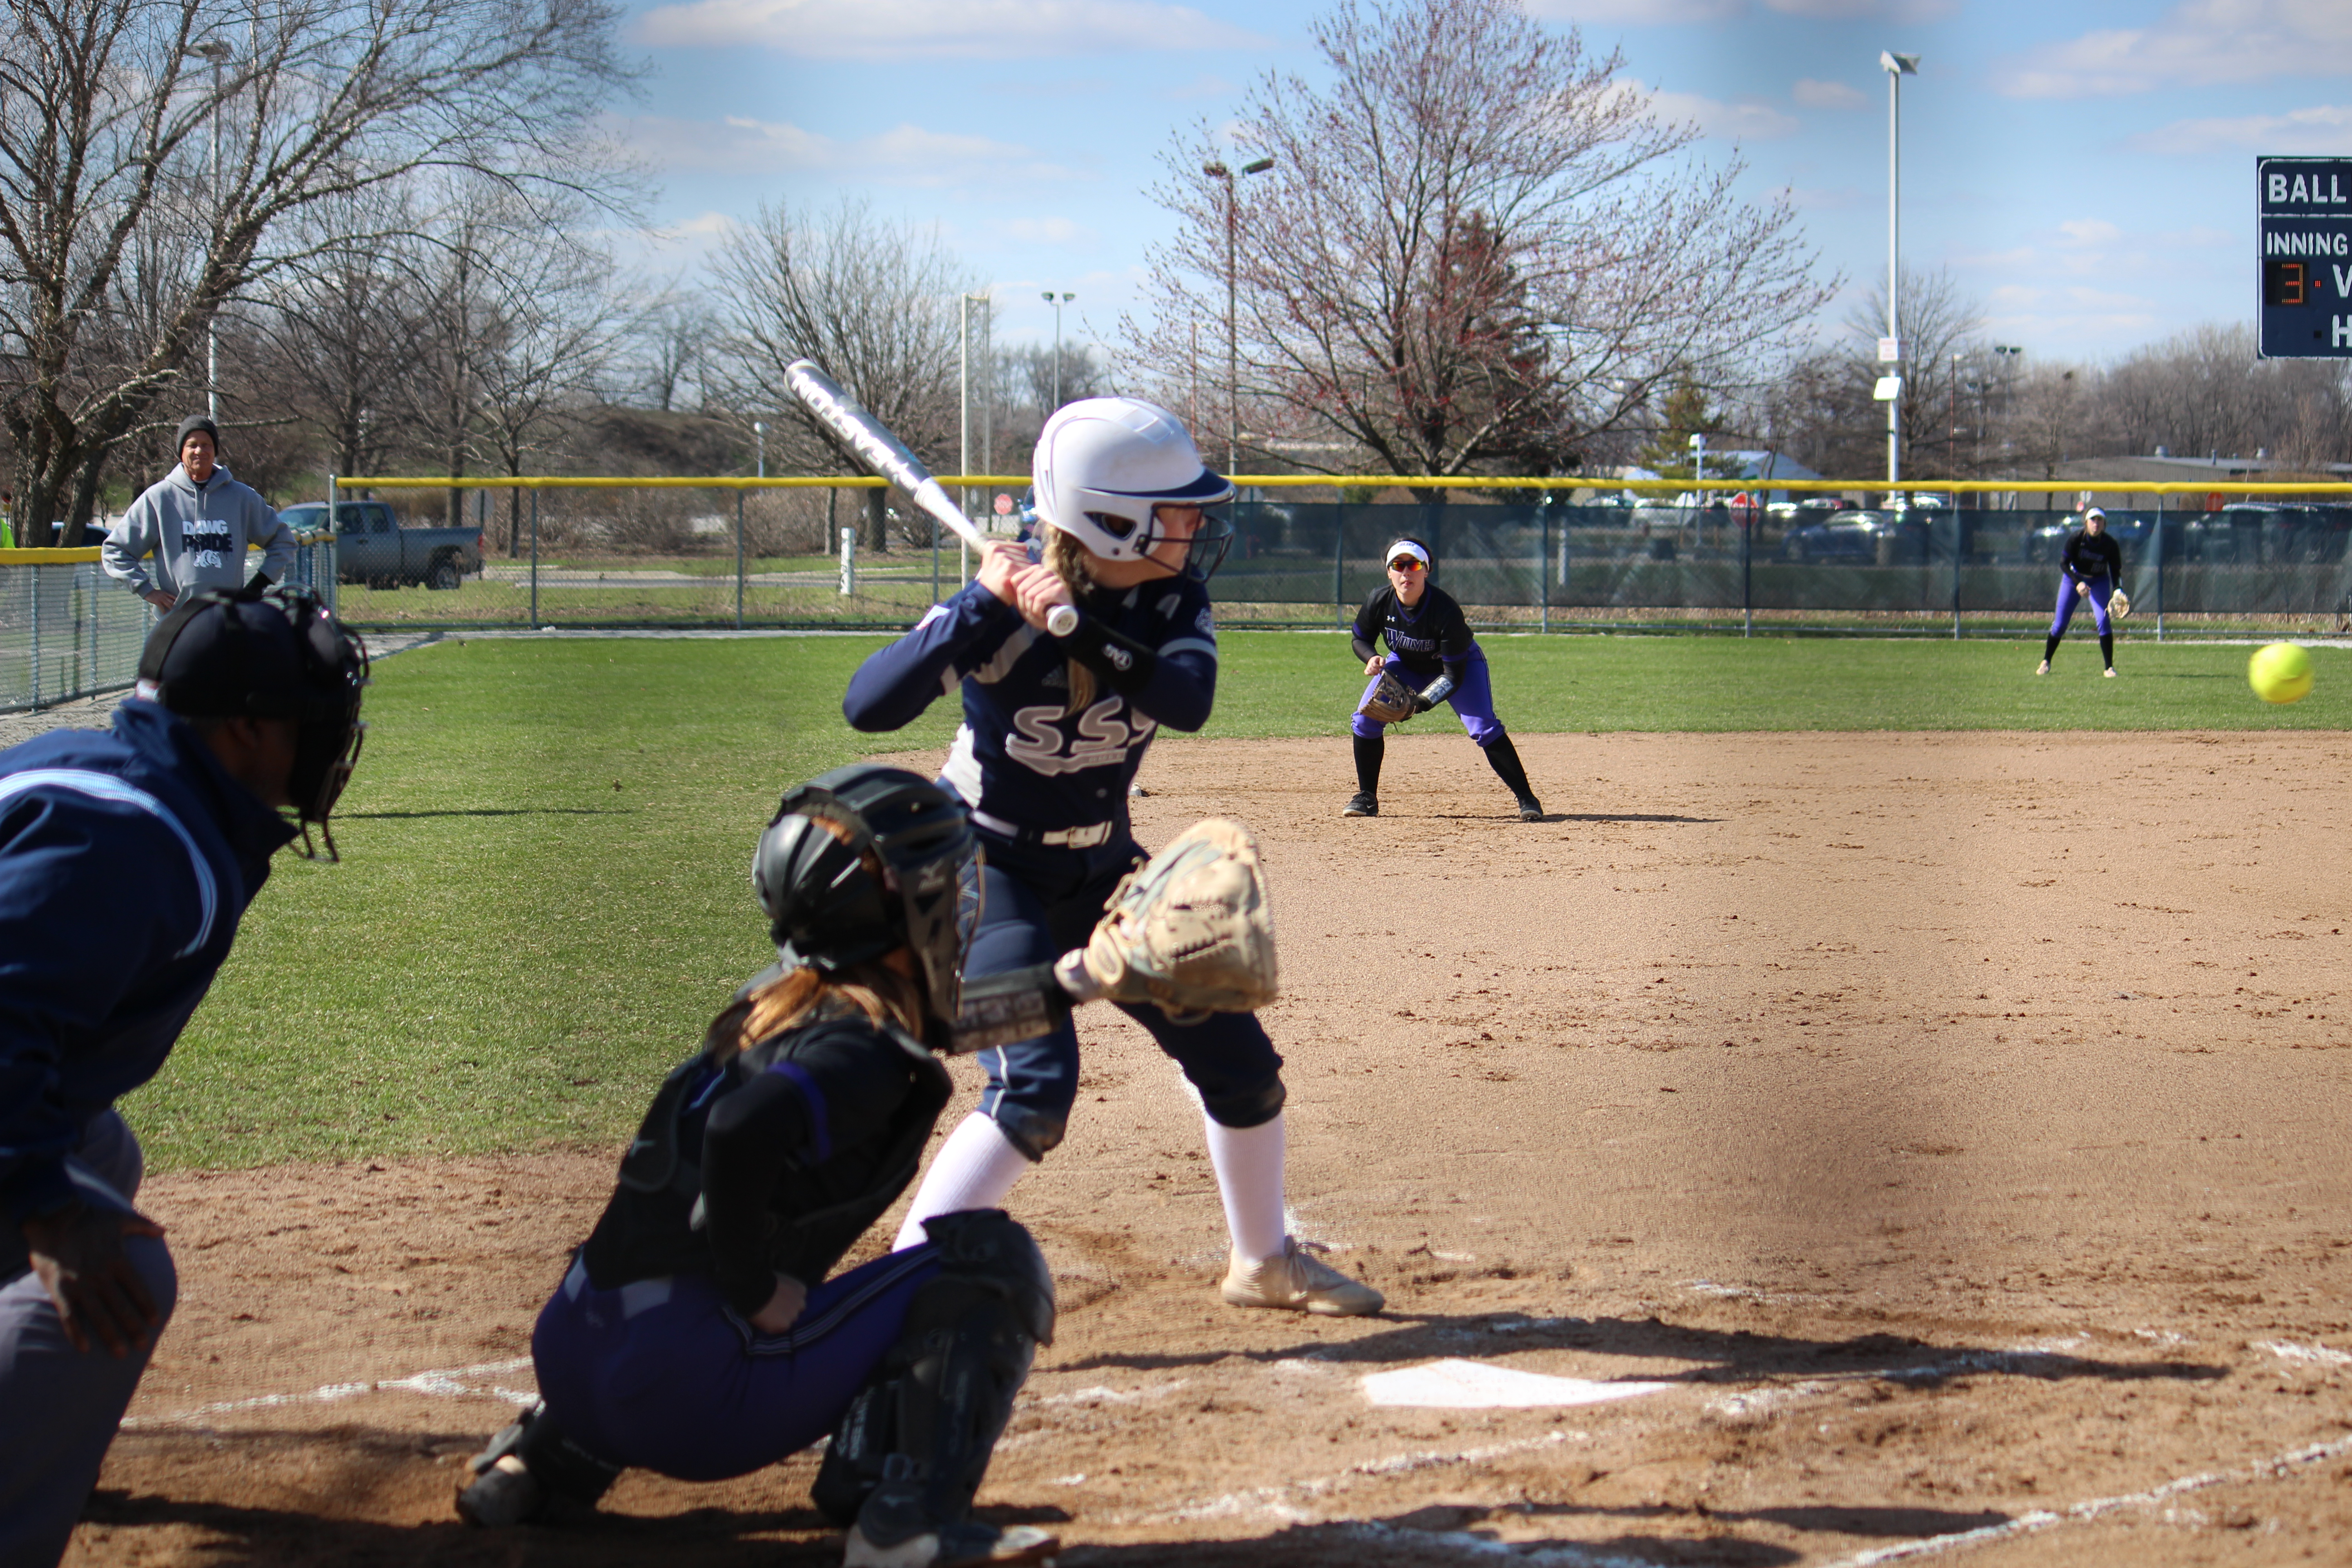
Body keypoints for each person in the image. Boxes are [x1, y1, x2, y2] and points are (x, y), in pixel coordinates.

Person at [841, 397, 1382, 1319]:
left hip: (1106, 873)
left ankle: (1264, 1262)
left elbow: (1187, 696)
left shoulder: (1173, 597)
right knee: (1034, 1088)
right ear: (1114, 519)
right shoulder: (996, 607)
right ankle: (888, 1303)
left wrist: (1080, 628)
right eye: (1177, 511)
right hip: (986, 877)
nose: (1195, 524)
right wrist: (980, 606)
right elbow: (870, 706)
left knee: (1241, 1064)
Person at [456, 766, 1059, 1568]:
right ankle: (904, 1525)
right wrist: (750, 1288)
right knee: (990, 1261)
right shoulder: (859, 1046)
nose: (958, 901)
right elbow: (745, 1128)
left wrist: (1080, 980)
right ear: (899, 908)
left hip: (571, 1361)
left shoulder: (778, 1001)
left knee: (670, 1250)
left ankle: (535, 1467)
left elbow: (919, 1031)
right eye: (943, 885)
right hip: (685, 1399)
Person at [0, 587, 368, 1568]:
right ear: (247, 725)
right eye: (314, 716)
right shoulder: (133, 837)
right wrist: (44, 1207)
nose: (332, 738)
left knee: (95, 1148)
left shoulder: (115, 774)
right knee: (115, 1264)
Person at [1345, 538, 1544, 821]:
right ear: (1388, 571)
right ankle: (1367, 797)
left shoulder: (1445, 610)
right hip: (1405, 663)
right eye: (1398, 565)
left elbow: (1453, 676)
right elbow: (1360, 638)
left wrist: (1419, 703)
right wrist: (1371, 658)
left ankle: (1527, 798)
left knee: (1483, 727)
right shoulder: (1379, 600)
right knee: (1364, 719)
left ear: (1426, 570)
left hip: (1457, 664)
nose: (1406, 572)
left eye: (1414, 565)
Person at [102, 416, 296, 613]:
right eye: (192, 445)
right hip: (178, 620)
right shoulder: (159, 498)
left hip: (230, 618)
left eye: (207, 445)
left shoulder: (242, 498)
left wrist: (258, 585)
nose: (200, 451)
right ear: (181, 452)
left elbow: (283, 541)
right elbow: (115, 551)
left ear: (215, 451)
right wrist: (147, 590)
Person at [2038, 506, 2125, 678]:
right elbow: (2064, 564)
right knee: (2060, 624)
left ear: (2105, 524)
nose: (2096, 524)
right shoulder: (2076, 539)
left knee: (2103, 620)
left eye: (2100, 520)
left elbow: (2115, 570)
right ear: (2086, 523)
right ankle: (2046, 661)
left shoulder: (2110, 544)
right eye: (2093, 520)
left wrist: (2118, 590)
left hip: (2099, 580)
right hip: (2073, 579)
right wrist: (2078, 583)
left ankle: (2109, 668)